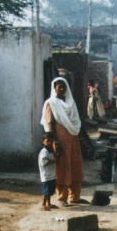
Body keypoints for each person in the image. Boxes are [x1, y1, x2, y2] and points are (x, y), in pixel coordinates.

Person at [40, 76, 89, 206]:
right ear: (55, 88)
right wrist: (54, 140)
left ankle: (75, 196)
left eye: (64, 86)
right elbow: (49, 123)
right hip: (60, 140)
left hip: (73, 138)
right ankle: (62, 198)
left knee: (75, 164)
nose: (62, 89)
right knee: (62, 166)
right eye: (59, 87)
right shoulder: (51, 103)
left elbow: (76, 122)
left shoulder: (71, 103)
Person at [38, 132, 58, 210]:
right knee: (46, 191)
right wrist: (53, 161)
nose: (49, 143)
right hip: (46, 175)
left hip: (52, 174)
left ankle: (49, 204)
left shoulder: (51, 150)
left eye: (51, 141)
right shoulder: (43, 152)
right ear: (43, 141)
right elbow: (43, 162)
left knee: (50, 190)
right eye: (47, 141)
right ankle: (43, 204)